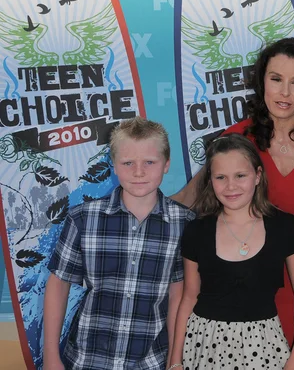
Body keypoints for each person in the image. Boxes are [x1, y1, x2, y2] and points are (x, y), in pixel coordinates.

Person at [172, 37, 294, 344]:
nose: (285, 93)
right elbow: (188, 198)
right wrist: (131, 205)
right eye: (276, 79)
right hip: (252, 297)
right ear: (261, 81)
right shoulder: (238, 137)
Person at [43, 117, 195, 370]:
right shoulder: (83, 218)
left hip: (151, 361)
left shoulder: (185, 223)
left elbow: (178, 296)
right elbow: (58, 284)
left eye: (149, 162)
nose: (138, 172)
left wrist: (174, 360)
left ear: (166, 164)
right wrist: (50, 356)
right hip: (86, 359)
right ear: (113, 165)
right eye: (128, 163)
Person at [168, 133, 294, 370]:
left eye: (240, 175)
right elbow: (189, 296)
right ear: (210, 181)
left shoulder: (284, 227)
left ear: (257, 176)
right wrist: (175, 361)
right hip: (203, 346)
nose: (231, 186)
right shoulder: (197, 230)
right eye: (221, 177)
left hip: (264, 348)